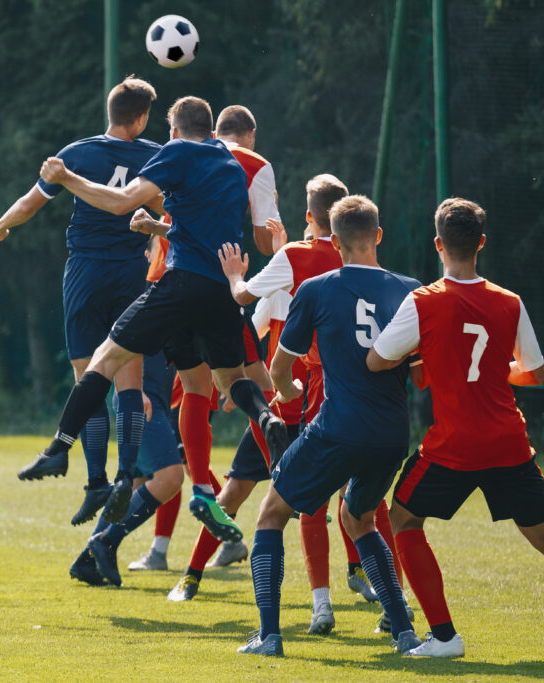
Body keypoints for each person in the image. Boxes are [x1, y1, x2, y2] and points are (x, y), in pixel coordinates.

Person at [367, 197, 544, 660]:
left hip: (454, 446)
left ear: (438, 244)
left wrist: (425, 357)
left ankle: (443, 637)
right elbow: (535, 373)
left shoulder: (422, 302)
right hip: (507, 442)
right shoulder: (509, 302)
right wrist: (497, 371)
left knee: (402, 518)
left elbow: (377, 359)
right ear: (481, 243)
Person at [26, 96, 288, 546]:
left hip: (178, 285)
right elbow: (200, 229)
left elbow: (120, 202)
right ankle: (266, 420)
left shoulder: (177, 151)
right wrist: (156, 228)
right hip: (220, 291)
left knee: (104, 358)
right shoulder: (229, 165)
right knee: (227, 380)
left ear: (173, 129)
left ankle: (59, 449)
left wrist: (66, 177)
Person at [232, 195, 422, 657]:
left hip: (338, 426)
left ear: (333, 241)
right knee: (358, 517)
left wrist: (291, 391)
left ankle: (269, 636)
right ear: (378, 235)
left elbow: (279, 368)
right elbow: (420, 373)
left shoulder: (316, 288)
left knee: (272, 512)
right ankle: (404, 632)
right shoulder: (412, 289)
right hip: (394, 433)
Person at [167, 176, 349, 630]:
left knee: (240, 497)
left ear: (309, 218)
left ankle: (191, 577)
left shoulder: (294, 261)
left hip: (288, 408)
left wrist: (236, 274)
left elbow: (247, 308)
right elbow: (261, 323)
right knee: (340, 500)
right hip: (316, 406)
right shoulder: (346, 265)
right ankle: (365, 592)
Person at [0, 77, 163, 526]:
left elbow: (30, 202)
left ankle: (96, 481)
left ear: (110, 110)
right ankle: (125, 479)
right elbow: (169, 211)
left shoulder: (76, 153)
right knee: (129, 384)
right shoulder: (156, 156)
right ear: (141, 118)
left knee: (88, 381)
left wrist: (0, 226)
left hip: (84, 274)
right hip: (131, 276)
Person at [127, 104, 284, 573]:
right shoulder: (255, 165)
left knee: (180, 410)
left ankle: (182, 521)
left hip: (167, 290)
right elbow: (262, 241)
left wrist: (156, 227)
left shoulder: (183, 155)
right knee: (255, 385)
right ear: (250, 135)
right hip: (221, 291)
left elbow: (180, 222)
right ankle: (285, 464)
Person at [68, 352, 184, 588]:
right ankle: (107, 541)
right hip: (141, 400)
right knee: (170, 477)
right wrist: (134, 392)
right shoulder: (141, 313)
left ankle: (87, 560)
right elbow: (123, 342)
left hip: (153, 402)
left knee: (136, 485)